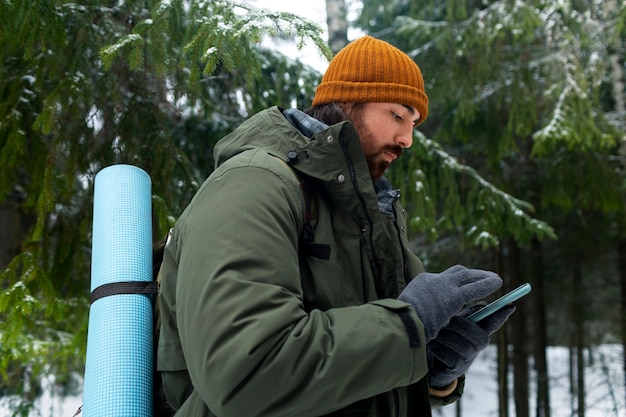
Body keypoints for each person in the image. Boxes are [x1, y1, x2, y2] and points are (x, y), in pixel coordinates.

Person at [157, 35, 516, 417]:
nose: (407, 139)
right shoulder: (253, 183)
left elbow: (351, 382)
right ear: (346, 101)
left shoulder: (376, 218)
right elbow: (245, 373)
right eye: (397, 115)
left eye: (413, 124)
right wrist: (407, 329)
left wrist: (433, 370)